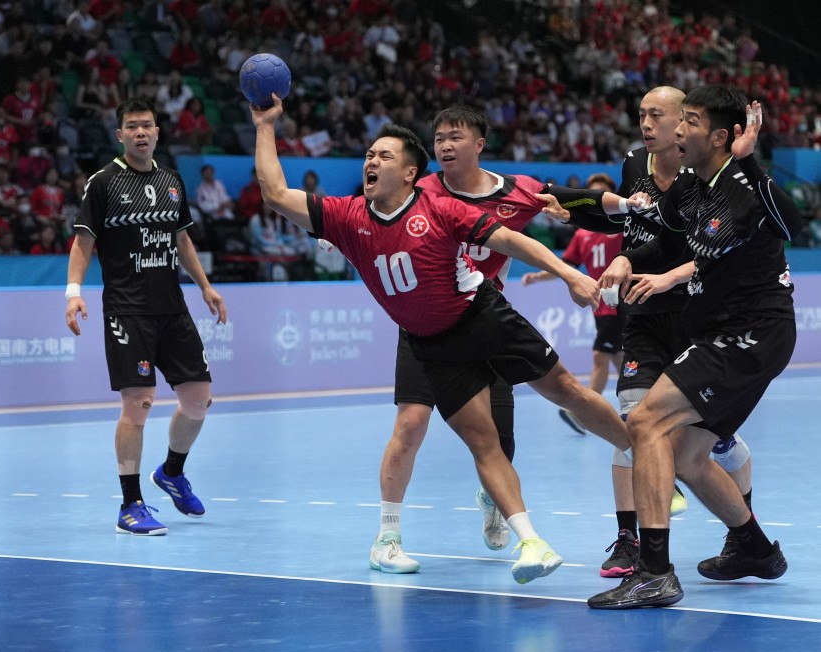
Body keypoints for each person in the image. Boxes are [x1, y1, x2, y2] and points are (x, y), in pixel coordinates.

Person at [253, 95, 634, 583]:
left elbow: (512, 240)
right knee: (472, 439)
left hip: (482, 315)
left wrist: (568, 274)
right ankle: (525, 544)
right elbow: (275, 193)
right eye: (368, 155)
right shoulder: (347, 217)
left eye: (384, 156)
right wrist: (266, 126)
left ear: (411, 174)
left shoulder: (439, 207)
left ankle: (646, 453)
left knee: (563, 391)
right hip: (430, 342)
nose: (371, 161)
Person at [364, 105, 643, 574]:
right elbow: (375, 209)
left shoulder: (516, 191)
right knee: (410, 424)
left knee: (500, 439)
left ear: (479, 144)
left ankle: (494, 498)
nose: (446, 146)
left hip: (483, 317)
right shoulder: (423, 189)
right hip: (424, 322)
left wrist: (627, 205)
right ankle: (387, 537)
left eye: (456, 137)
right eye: (439, 139)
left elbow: (578, 202)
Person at [588, 87, 801, 609]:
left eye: (690, 122)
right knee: (686, 454)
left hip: (750, 332)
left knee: (645, 423)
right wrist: (623, 255)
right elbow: (662, 233)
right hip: (719, 330)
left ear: (721, 137)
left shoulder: (743, 188)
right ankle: (755, 550)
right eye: (676, 120)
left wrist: (751, 167)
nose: (677, 131)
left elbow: (787, 221)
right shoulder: (688, 180)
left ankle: (655, 572)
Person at [565, 86, 755, 580]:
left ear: (684, 125)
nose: (646, 124)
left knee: (716, 445)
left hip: (700, 317)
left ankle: (743, 534)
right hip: (645, 315)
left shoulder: (708, 179)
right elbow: (623, 221)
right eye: (641, 115)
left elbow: (720, 247)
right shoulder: (633, 164)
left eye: (657, 115)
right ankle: (631, 541)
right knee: (633, 426)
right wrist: (606, 245)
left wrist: (669, 274)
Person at [65, 96, 227, 536]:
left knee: (199, 398)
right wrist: (73, 292)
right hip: (127, 309)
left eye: (147, 126)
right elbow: (83, 241)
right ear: (120, 135)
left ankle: (171, 472)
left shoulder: (172, 181)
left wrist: (205, 285)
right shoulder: (103, 183)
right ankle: (130, 504)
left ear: (158, 132)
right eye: (132, 126)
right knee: (138, 404)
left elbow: (181, 240)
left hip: (171, 306)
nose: (140, 132)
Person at [521, 173, 625, 436]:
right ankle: (640, 404)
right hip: (599, 305)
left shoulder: (623, 226)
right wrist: (537, 277)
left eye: (602, 194)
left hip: (622, 303)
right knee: (618, 358)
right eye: (592, 196)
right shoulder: (583, 235)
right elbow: (565, 266)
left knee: (601, 355)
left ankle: (582, 414)